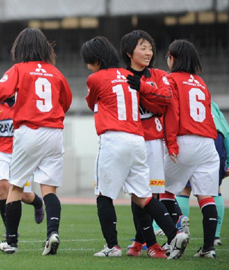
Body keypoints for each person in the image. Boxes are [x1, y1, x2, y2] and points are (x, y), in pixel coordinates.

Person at [81, 36, 189, 260]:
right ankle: (173, 233)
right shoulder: (129, 76)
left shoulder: (95, 77)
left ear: (95, 59)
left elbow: (91, 102)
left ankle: (112, 246)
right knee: (144, 196)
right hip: (139, 140)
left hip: (113, 138)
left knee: (103, 194)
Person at [0, 28, 72, 255]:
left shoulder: (19, 69)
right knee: (49, 188)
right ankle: (52, 233)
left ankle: (11, 242)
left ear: (20, 48)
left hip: (29, 131)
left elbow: (0, 91)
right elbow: (66, 101)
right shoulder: (55, 72)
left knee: (16, 186)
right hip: (54, 132)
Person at [120, 30, 189, 258]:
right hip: (130, 140)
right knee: (136, 194)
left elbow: (165, 101)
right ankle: (148, 243)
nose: (148, 52)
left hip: (152, 143)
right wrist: (149, 94)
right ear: (129, 52)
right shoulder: (120, 77)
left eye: (150, 48)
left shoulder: (159, 75)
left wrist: (142, 88)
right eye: (143, 47)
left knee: (151, 194)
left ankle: (146, 243)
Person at [163, 39, 219, 258]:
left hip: (185, 139)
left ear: (173, 58)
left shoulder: (171, 79)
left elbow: (172, 114)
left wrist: (172, 144)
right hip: (207, 142)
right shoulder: (201, 82)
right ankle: (209, 248)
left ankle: (174, 235)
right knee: (206, 197)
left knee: (162, 190)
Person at [0, 96, 44, 233]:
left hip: (22, 153)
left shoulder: (26, 104)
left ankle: (37, 202)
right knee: (2, 188)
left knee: (24, 196)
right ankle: (10, 229)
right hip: (2, 153)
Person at [176, 101, 229, 246]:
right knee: (213, 190)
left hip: (193, 137)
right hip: (216, 139)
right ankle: (215, 237)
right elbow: (226, 131)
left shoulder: (179, 96)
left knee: (183, 189)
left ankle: (180, 233)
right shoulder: (211, 103)